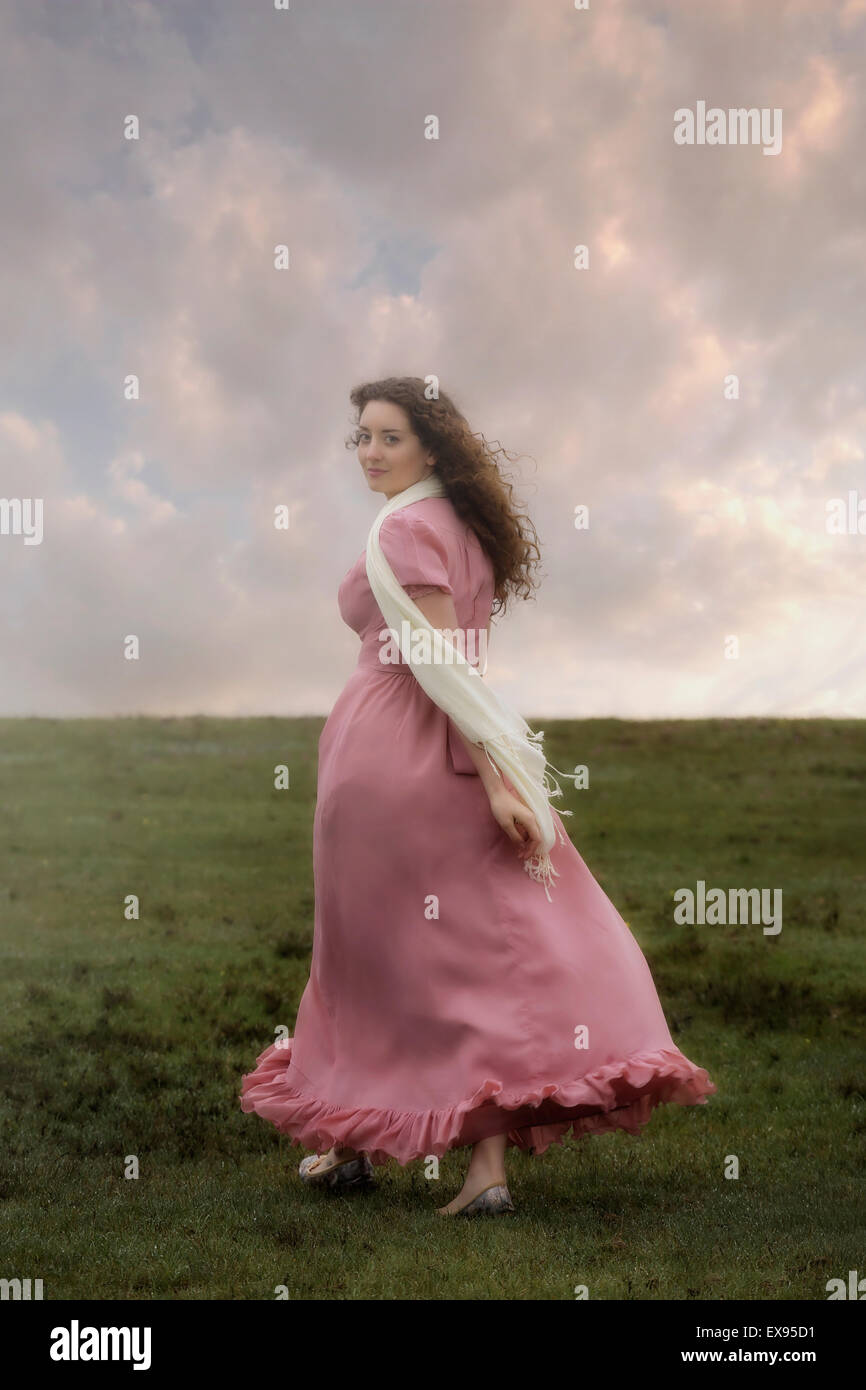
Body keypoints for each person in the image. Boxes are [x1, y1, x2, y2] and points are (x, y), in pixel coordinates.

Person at [239, 377, 716, 1217]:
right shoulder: (461, 528)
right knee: (446, 957)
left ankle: (381, 1150)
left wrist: (497, 783)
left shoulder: (410, 529)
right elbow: (458, 663)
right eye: (361, 437)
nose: (370, 454)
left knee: (370, 955)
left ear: (432, 445)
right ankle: (425, 1158)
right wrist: (494, 770)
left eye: (389, 438)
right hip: (429, 749)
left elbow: (441, 668)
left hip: (397, 753)